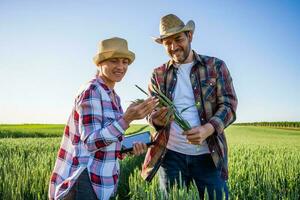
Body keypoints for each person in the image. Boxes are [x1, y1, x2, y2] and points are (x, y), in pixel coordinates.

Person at [141, 14, 238, 200]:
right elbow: (150, 111)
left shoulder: (215, 66)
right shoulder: (158, 74)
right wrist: (156, 119)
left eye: (178, 39)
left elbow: (229, 105)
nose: (173, 47)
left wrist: (208, 129)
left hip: (208, 156)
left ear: (190, 36)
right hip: (170, 157)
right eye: (167, 43)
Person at [49, 37, 158, 200]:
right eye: (114, 61)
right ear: (100, 63)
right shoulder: (92, 90)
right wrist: (126, 120)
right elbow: (91, 142)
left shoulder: (114, 97)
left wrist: (127, 149)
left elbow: (107, 142)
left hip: (103, 181)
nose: (121, 67)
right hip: (87, 179)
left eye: (125, 62)